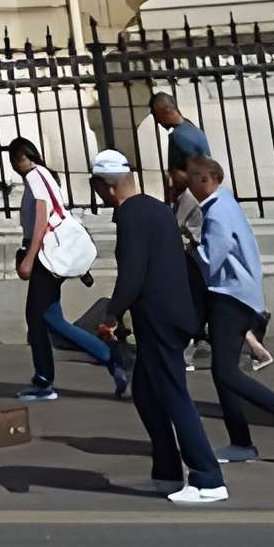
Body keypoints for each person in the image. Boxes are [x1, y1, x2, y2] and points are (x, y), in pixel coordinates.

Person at [83, 151, 225, 505]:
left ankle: (208, 478)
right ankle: (166, 473)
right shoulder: (155, 207)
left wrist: (111, 313)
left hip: (159, 318)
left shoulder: (130, 215)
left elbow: (133, 273)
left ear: (104, 188)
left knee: (174, 395)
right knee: (147, 393)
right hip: (170, 314)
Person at [180, 155, 274, 464]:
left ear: (205, 180)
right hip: (238, 296)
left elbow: (211, 260)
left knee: (225, 371)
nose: (187, 184)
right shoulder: (225, 203)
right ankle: (240, 442)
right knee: (222, 372)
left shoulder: (216, 213)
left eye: (191, 178)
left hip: (230, 297)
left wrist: (189, 250)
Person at [6, 138, 125, 403]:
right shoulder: (42, 174)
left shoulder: (35, 176)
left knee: (40, 320)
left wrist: (29, 257)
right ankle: (104, 358)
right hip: (49, 256)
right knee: (49, 320)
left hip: (45, 258)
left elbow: (41, 218)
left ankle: (46, 380)